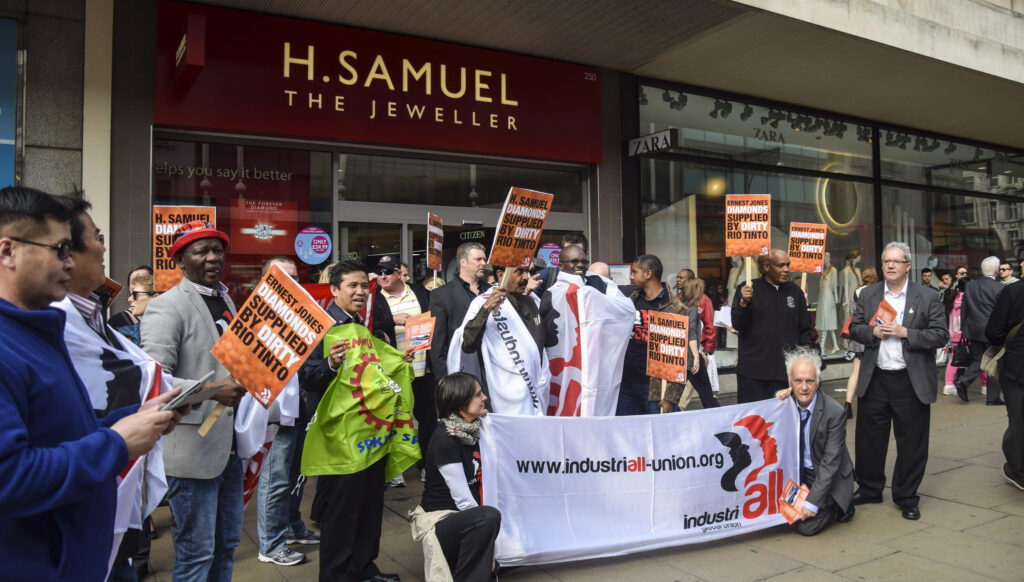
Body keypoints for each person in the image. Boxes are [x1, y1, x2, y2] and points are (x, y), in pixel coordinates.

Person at [0, 186, 183, 581]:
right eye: (60, 249)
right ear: (8, 252)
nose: (69, 262)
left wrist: (133, 418)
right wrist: (117, 443)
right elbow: (10, 477)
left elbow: (61, 434)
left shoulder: (41, 332)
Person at [140, 220, 249, 581]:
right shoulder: (166, 306)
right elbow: (155, 380)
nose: (213, 257)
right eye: (201, 251)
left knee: (226, 547)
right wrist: (214, 390)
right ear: (179, 261)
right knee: (196, 555)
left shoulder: (226, 299)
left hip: (230, 448)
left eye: (217, 249)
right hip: (191, 453)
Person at [297, 260, 402, 582]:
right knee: (342, 513)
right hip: (340, 440)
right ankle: (337, 575)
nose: (360, 292)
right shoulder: (322, 326)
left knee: (369, 506)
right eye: (352, 286)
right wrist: (329, 363)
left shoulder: (361, 325)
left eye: (363, 286)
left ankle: (363, 568)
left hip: (369, 433)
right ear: (334, 289)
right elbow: (306, 376)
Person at [848, 242, 948, 520]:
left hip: (910, 380)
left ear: (907, 266)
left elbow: (941, 335)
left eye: (896, 261)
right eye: (886, 261)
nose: (890, 265)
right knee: (869, 439)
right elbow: (854, 328)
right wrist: (872, 332)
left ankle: (906, 496)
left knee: (912, 442)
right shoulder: (868, 294)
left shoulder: (927, 296)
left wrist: (907, 333)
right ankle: (870, 488)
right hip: (876, 378)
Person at [255, 256, 320, 567]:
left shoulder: (300, 315)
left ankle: (293, 526)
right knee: (275, 478)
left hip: (299, 407)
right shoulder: (255, 318)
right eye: (283, 277)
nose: (292, 283)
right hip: (273, 414)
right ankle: (270, 544)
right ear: (265, 281)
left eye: (295, 277)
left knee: (296, 475)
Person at [410, 373, 501, 581]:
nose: (484, 398)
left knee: (488, 520)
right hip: (441, 520)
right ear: (461, 401)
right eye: (478, 394)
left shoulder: (475, 430)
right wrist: (490, 547)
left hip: (466, 519)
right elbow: (464, 501)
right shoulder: (445, 440)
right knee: (488, 517)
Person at [453, 265, 557, 415]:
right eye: (519, 272)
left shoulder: (530, 302)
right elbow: (468, 344)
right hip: (503, 392)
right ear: (501, 275)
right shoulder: (481, 303)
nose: (526, 277)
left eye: (527, 272)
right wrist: (486, 309)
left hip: (536, 388)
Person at [774, 347, 855, 535]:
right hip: (800, 473)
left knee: (805, 527)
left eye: (809, 381)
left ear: (818, 382)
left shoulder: (834, 413)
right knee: (778, 516)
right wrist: (775, 403)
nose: (804, 388)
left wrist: (812, 503)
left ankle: (839, 505)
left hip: (825, 474)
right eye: (798, 381)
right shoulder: (784, 404)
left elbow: (830, 463)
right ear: (790, 382)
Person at [374, 255, 435, 486]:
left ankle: (426, 465)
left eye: (388, 271)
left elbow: (435, 318)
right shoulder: (374, 297)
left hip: (422, 369)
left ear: (399, 274)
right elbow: (369, 326)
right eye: (379, 271)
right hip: (393, 373)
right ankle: (394, 469)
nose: (382, 276)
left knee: (427, 421)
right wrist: (393, 320)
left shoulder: (420, 292)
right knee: (393, 421)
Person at [731, 249, 813, 403]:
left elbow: (805, 330)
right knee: (753, 417)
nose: (786, 269)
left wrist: (804, 362)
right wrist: (743, 303)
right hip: (752, 372)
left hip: (784, 372)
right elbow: (738, 324)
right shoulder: (748, 289)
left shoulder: (795, 292)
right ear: (766, 267)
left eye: (788, 265)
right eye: (781, 265)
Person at [618, 254, 687, 415]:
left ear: (648, 273)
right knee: (626, 429)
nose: (631, 276)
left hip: (653, 388)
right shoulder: (631, 299)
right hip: (625, 383)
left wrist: (671, 397)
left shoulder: (675, 308)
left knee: (656, 430)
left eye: (635, 272)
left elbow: (679, 357)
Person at [985, 252, 1024, 492]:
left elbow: (994, 331)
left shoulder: (1013, 292)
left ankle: (1018, 470)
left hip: (1017, 366)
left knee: (1018, 419)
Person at [429, 242, 486, 379]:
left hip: (491, 369)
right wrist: (443, 378)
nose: (483, 263)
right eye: (478, 259)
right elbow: (437, 342)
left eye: (484, 259)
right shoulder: (441, 295)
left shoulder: (492, 291)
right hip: (460, 370)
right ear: (463, 262)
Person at [955, 256, 1005, 405]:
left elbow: (964, 308)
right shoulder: (1000, 287)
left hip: (973, 329)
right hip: (992, 331)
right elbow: (1002, 312)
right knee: (994, 361)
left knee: (979, 358)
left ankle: (964, 381)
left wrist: (964, 327)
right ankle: (992, 397)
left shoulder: (971, 286)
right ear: (996, 271)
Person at [678, 277, 720, 409]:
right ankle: (718, 416)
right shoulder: (693, 308)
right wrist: (697, 356)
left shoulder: (680, 306)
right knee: (707, 395)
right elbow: (691, 333)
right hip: (691, 357)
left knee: (675, 394)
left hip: (681, 355)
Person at [843, 267, 878, 419]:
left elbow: (851, 314)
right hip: (872, 335)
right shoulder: (877, 292)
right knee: (874, 370)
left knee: (855, 371)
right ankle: (871, 405)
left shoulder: (856, 292)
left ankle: (847, 405)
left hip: (858, 336)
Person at [112, 274, 157, 346]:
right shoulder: (125, 334)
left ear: (155, 298)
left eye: (135, 295)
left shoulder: (172, 329)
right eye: (131, 295)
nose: (129, 299)